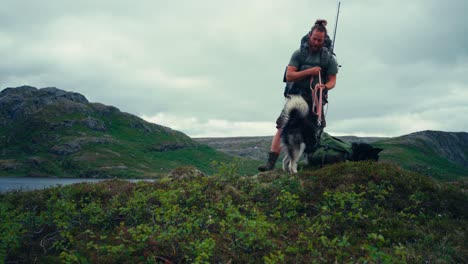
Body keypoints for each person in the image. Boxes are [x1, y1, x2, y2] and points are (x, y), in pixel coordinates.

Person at [258, 19, 339, 172]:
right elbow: (289, 75)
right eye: (314, 39)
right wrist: (310, 71)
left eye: (319, 40)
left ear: (324, 40)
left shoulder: (329, 58)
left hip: (315, 99)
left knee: (312, 131)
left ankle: (308, 163)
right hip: (295, 96)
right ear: (310, 36)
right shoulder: (299, 54)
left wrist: (324, 86)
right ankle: (270, 164)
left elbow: (333, 81)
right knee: (283, 127)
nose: (316, 42)